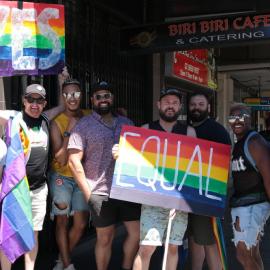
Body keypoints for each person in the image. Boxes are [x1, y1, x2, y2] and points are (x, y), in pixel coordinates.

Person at [68, 81, 141, 270]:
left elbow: (139, 154)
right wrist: (88, 194)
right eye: (98, 96)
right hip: (99, 191)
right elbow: (73, 161)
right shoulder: (82, 125)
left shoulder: (127, 123)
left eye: (106, 95)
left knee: (136, 234)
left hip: (127, 188)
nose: (103, 99)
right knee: (105, 238)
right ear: (92, 99)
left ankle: (126, 267)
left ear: (112, 98)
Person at [0, 72, 67, 270]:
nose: (35, 104)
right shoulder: (13, 118)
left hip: (39, 190)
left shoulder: (46, 119)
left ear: (44, 103)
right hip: (14, 190)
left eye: (39, 100)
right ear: (24, 101)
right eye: (31, 100)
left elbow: (63, 107)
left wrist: (62, 82)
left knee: (34, 233)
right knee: (9, 233)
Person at [132, 88, 196, 270]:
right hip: (152, 199)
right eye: (167, 101)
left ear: (180, 107)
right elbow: (134, 160)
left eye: (175, 102)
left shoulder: (189, 132)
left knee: (173, 247)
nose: (170, 105)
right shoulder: (146, 129)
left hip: (179, 201)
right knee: (146, 247)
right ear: (158, 105)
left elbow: (193, 169)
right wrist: (120, 153)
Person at [187, 93, 231, 270]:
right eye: (193, 104)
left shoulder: (217, 130)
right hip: (187, 194)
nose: (196, 107)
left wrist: (217, 198)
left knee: (210, 240)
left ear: (209, 108)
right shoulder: (184, 128)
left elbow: (224, 165)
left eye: (201, 104)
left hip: (208, 196)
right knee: (194, 238)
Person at [50, 79, 90, 270]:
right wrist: (69, 131)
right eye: (67, 94)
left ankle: (61, 258)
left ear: (81, 95)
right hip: (61, 178)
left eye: (75, 93)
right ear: (62, 97)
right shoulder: (57, 123)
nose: (71, 98)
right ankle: (67, 265)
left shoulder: (90, 116)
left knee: (81, 224)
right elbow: (61, 159)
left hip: (81, 177)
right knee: (62, 220)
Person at [229, 103, 270, 270]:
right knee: (252, 253)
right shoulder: (240, 142)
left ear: (249, 119)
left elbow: (268, 176)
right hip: (246, 205)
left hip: (253, 205)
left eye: (241, 116)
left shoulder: (254, 141)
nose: (237, 120)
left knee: (242, 254)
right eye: (233, 117)